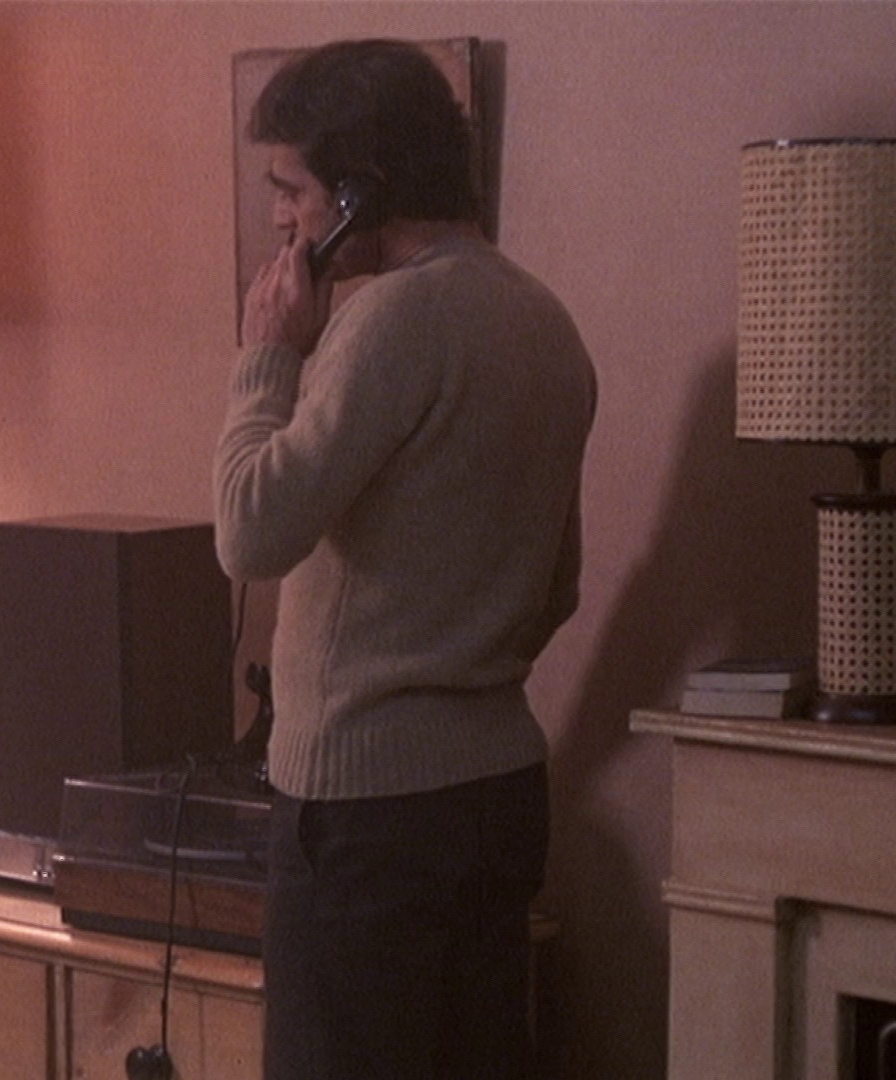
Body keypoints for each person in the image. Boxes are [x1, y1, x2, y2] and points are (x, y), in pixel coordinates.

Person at [213, 38, 596, 1080]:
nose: (280, 219)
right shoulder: (547, 324)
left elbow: (250, 531)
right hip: (499, 792)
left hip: (364, 816)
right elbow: (558, 585)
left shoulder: (389, 318)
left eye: (292, 190)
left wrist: (267, 358)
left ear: (359, 191)